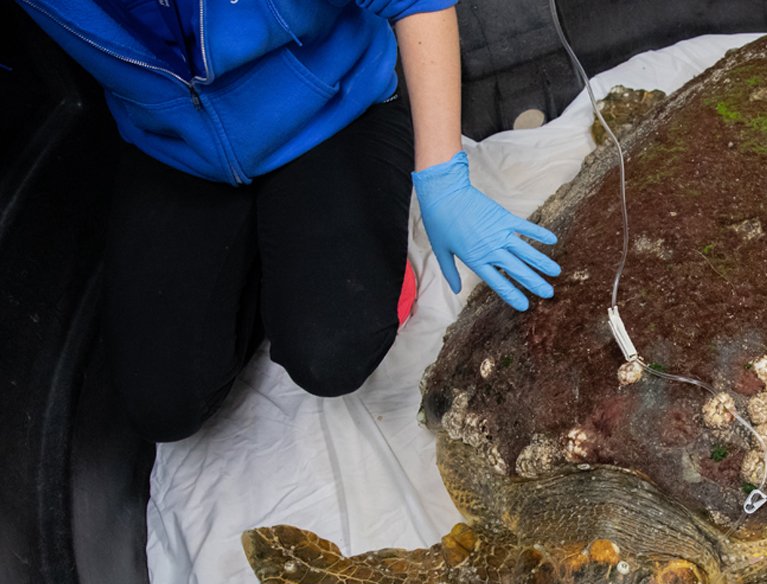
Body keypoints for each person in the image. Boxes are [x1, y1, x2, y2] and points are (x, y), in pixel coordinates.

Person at [17, 0, 562, 442]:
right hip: (177, 147)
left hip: (329, 105)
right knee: (165, 408)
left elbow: (417, 1)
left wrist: (444, 178)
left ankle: (363, 253)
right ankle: (280, 256)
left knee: (331, 358)